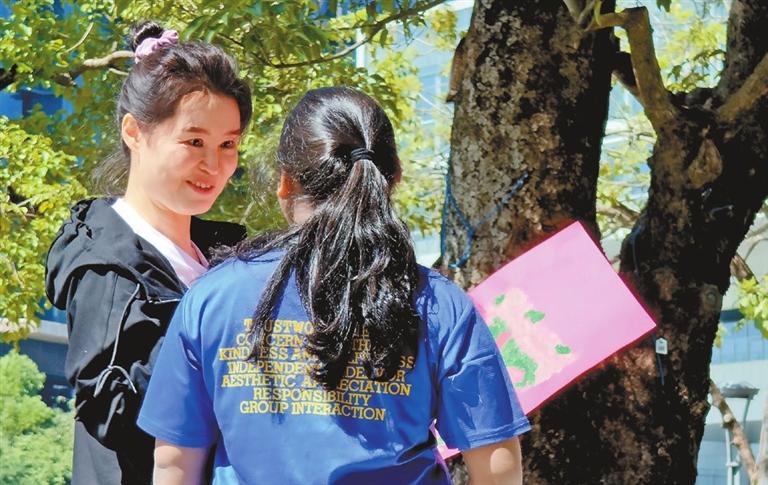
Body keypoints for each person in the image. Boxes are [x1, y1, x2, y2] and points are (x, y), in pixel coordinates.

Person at [138, 87, 530, 485]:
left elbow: (173, 463)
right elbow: (497, 463)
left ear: (285, 182)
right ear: (392, 179)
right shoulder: (438, 303)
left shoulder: (210, 298)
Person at [45, 20, 252, 485]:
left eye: (228, 144)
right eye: (194, 141)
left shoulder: (221, 259)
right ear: (134, 132)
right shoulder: (106, 265)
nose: (214, 164)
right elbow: (111, 409)